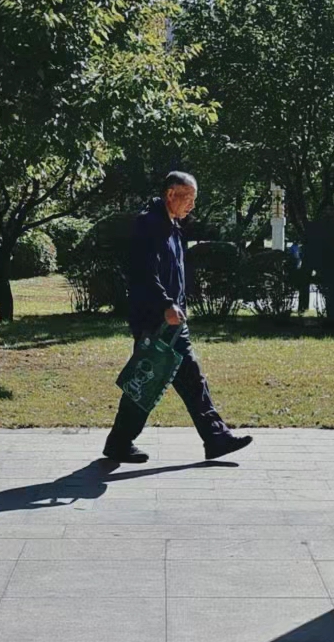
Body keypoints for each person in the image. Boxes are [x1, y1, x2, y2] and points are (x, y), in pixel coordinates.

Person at [103, 171, 253, 464]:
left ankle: (122, 442)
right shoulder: (150, 225)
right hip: (156, 319)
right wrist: (166, 304)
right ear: (170, 194)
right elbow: (143, 273)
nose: (192, 205)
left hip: (172, 319)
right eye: (189, 198)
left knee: (162, 377)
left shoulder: (171, 225)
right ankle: (214, 437)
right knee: (154, 378)